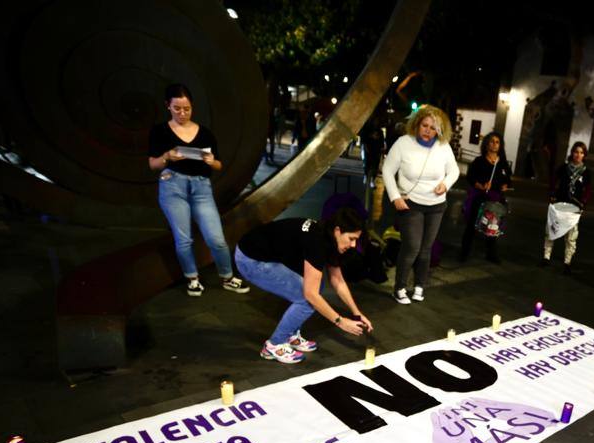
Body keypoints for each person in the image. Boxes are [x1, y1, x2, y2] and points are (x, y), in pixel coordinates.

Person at [234, 201, 374, 364]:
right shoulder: (317, 243)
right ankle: (274, 345)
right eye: (351, 239)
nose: (353, 245)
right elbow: (310, 295)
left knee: (316, 287)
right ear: (338, 231)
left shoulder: (330, 237)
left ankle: (291, 335)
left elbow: (337, 280)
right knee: (307, 299)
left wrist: (357, 313)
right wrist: (340, 321)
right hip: (250, 260)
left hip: (267, 254)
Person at [147, 83, 250, 297]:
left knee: (216, 238)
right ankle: (192, 278)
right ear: (168, 106)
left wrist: (212, 161)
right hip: (173, 185)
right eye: (177, 108)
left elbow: (218, 164)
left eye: (187, 108)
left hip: (201, 187)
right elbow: (153, 164)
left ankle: (227, 277)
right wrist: (166, 156)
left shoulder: (205, 133)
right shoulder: (160, 131)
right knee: (184, 239)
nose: (182, 113)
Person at [383, 105, 460, 304]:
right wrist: (395, 197)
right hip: (410, 204)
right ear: (417, 124)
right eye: (424, 125)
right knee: (412, 247)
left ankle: (419, 286)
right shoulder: (403, 143)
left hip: (436, 205)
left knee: (426, 248)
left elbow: (454, 171)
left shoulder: (443, 146)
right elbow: (388, 170)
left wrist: (445, 184)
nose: (428, 130)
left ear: (440, 130)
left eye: (433, 128)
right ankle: (399, 288)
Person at [460, 131, 512, 264]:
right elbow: (470, 177)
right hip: (480, 197)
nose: (494, 144)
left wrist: (505, 185)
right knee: (472, 225)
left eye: (497, 142)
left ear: (500, 145)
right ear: (487, 144)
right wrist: (480, 185)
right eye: (492, 141)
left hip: (496, 199)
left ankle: (491, 253)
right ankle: (464, 253)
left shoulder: (503, 163)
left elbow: (508, 179)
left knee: (493, 227)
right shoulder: (479, 161)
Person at [542, 141, 591, 275]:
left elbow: (588, 190)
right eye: (576, 152)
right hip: (559, 204)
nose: (578, 155)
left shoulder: (586, 172)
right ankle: (546, 257)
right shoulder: (564, 167)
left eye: (581, 152)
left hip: (574, 208)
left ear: (584, 155)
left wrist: (584, 202)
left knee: (571, 237)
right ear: (572, 153)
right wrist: (552, 194)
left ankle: (567, 262)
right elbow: (553, 180)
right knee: (551, 231)